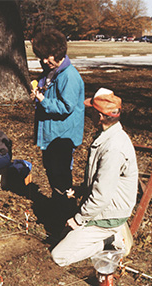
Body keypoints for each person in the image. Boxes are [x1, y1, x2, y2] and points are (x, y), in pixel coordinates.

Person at [51, 88, 138, 266]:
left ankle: (110, 240)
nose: (88, 113)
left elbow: (101, 196)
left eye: (91, 110)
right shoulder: (107, 136)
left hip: (108, 214)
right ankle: (105, 234)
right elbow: (103, 183)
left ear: (100, 116)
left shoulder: (113, 148)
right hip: (104, 208)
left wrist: (78, 220)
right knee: (63, 235)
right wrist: (81, 189)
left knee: (59, 256)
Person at [30, 28, 85, 230]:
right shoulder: (53, 72)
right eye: (41, 57)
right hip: (50, 134)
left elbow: (66, 107)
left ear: (59, 53)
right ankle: (58, 210)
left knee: (62, 178)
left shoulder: (69, 76)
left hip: (62, 136)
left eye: (47, 57)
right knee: (52, 173)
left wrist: (42, 99)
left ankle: (69, 216)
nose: (44, 61)